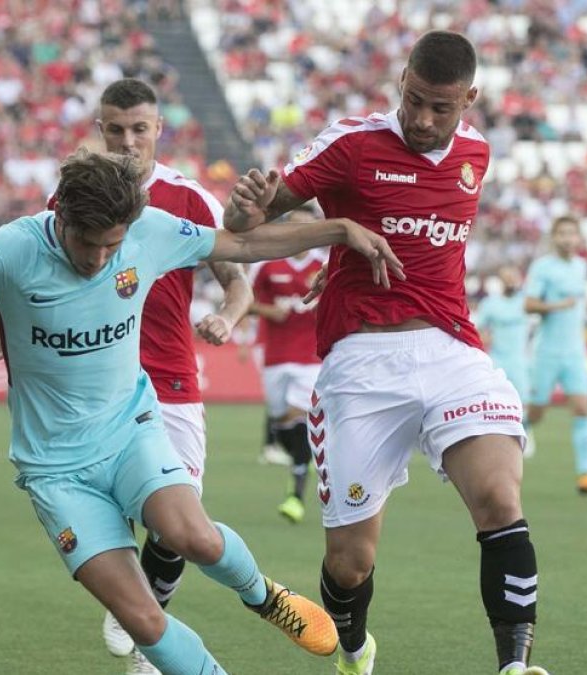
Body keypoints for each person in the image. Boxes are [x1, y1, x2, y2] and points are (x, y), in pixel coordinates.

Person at [0, 149, 404, 674]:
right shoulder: (15, 246)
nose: (97, 259)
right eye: (87, 244)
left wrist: (338, 230)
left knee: (193, 538)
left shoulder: (149, 231)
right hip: (55, 470)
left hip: (130, 430)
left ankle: (263, 596)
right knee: (142, 620)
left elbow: (244, 244)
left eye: (112, 245)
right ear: (61, 216)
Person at [224, 31, 548, 675]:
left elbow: (424, 242)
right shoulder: (351, 144)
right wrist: (259, 214)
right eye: (415, 101)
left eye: (441, 108)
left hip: (454, 351)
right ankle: (353, 647)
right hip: (361, 364)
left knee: (500, 503)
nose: (424, 120)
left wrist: (350, 253)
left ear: (470, 100)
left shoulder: (478, 155)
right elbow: (247, 229)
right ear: (401, 79)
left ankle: (515, 665)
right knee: (350, 563)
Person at [39, 77, 254, 673]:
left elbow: (237, 276)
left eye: (140, 129)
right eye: (116, 129)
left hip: (172, 380)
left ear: (159, 129)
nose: (128, 140)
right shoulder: (72, 199)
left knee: (176, 524)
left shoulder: (187, 198)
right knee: (118, 513)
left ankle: (141, 629)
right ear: (100, 130)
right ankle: (145, 631)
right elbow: (37, 273)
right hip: (96, 383)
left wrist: (227, 315)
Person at [523, 216, 587, 495]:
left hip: (574, 352)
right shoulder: (543, 267)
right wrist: (559, 304)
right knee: (536, 415)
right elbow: (528, 304)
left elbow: (579, 309)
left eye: (571, 234)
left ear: (578, 238)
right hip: (547, 352)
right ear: (554, 237)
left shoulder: (580, 266)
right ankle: (498, 436)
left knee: (584, 408)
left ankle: (585, 474)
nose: (567, 239)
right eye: (561, 233)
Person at [248, 207, 325, 524]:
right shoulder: (268, 266)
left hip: (311, 358)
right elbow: (245, 301)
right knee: (282, 423)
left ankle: (296, 494)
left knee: (299, 415)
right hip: (276, 358)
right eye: (293, 227)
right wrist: (268, 311)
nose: (299, 234)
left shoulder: (324, 266)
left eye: (305, 228)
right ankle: (301, 459)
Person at [475, 265, 537, 458]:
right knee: (493, 401)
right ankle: (495, 439)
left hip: (520, 359)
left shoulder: (525, 302)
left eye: (513, 277)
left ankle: (526, 436)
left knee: (524, 401)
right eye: (506, 277)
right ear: (500, 280)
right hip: (498, 358)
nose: (510, 281)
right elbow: (478, 329)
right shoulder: (491, 304)